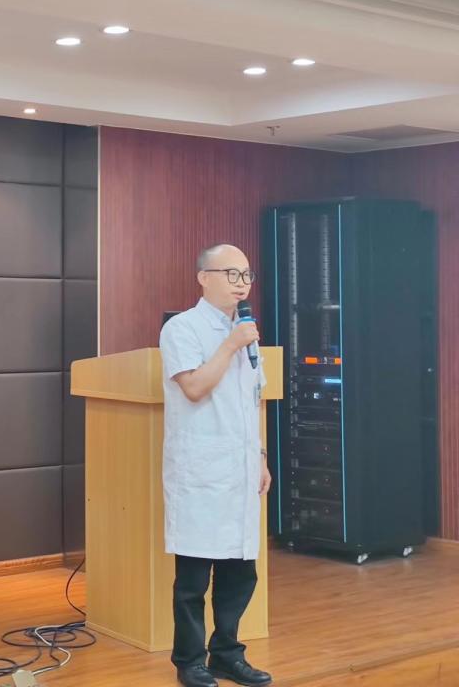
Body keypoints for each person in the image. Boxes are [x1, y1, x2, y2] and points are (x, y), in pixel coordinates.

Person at [158, 244, 273, 687]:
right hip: (201, 471)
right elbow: (194, 388)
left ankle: (227, 653)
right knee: (192, 580)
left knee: (240, 573)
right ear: (204, 277)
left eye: (246, 275)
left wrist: (260, 456)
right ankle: (189, 661)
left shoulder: (246, 331)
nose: (241, 283)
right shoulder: (182, 329)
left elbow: (253, 400)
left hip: (241, 470)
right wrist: (230, 345)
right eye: (231, 274)